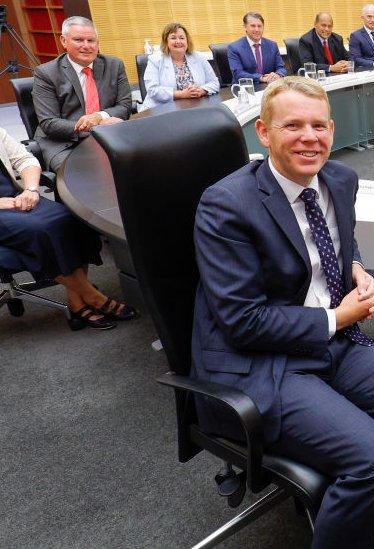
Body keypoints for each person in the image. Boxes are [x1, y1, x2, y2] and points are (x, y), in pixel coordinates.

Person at [191, 77, 374, 548]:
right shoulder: (226, 205)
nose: (310, 137)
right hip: (263, 363)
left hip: (331, 342)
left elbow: (336, 240)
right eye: (293, 126)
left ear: (332, 128)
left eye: (319, 125)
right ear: (263, 134)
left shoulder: (339, 181)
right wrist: (339, 318)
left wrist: (356, 267)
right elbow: (242, 321)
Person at [0, 126, 136, 330]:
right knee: (42, 230)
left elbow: (24, 160)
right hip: (4, 208)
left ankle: (77, 301)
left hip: (20, 199)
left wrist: (30, 190)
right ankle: (94, 297)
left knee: (72, 217)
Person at [31, 16, 130, 172]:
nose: (86, 46)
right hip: (64, 142)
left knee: (140, 164)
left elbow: (124, 106)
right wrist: (93, 127)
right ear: (64, 41)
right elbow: (49, 123)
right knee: (84, 175)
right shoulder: (46, 73)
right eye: (78, 40)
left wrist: (99, 116)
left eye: (91, 41)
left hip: (109, 137)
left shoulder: (114, 65)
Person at [142, 22, 219, 110]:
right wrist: (182, 94)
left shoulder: (199, 57)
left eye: (182, 38)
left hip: (196, 108)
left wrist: (202, 91)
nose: (178, 41)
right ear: (166, 41)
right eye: (173, 38)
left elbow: (214, 83)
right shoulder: (155, 60)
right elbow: (153, 90)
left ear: (187, 41)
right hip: (161, 110)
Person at [227, 12, 287, 84]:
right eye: (253, 26)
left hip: (269, 87)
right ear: (245, 27)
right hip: (246, 88)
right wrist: (261, 78)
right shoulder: (234, 48)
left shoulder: (272, 45)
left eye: (259, 26)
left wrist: (277, 75)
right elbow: (238, 73)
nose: (257, 30)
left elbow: (282, 68)